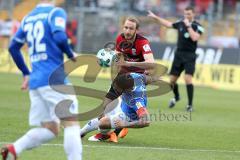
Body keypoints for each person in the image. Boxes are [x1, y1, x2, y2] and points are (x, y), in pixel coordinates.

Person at [1, 1, 82, 160]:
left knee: (51, 129)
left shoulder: (27, 18)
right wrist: (71, 54)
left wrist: (26, 73)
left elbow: (13, 47)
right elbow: (59, 37)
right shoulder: (55, 13)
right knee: (71, 122)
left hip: (36, 82)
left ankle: (13, 149)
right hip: (54, 79)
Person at [81, 16, 155, 142]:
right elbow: (118, 59)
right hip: (123, 80)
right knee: (104, 114)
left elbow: (151, 64)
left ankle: (110, 132)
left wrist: (129, 64)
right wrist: (111, 60)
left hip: (135, 81)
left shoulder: (143, 43)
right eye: (125, 27)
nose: (127, 31)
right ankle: (91, 133)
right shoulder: (120, 39)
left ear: (136, 30)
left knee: (111, 116)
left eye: (131, 29)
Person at [148, 6, 204, 112]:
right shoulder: (180, 23)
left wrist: (188, 26)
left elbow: (195, 38)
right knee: (172, 81)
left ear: (193, 14)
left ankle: (190, 105)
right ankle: (177, 96)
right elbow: (168, 24)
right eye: (185, 14)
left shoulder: (198, 26)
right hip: (178, 55)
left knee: (188, 79)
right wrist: (155, 17)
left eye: (188, 14)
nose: (186, 16)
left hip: (190, 56)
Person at [81, 72, 161, 142]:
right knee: (101, 114)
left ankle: (105, 135)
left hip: (128, 116)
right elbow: (148, 79)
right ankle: (81, 133)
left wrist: (124, 124)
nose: (115, 89)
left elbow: (146, 121)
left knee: (103, 122)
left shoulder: (137, 101)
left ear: (127, 90)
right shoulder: (136, 77)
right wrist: (103, 109)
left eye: (118, 89)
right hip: (123, 103)